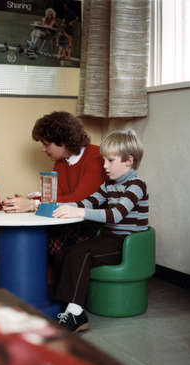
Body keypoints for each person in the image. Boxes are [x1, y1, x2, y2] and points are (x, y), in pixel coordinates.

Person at [52, 129, 149, 333]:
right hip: (109, 239)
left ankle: (77, 315)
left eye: (110, 161)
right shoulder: (109, 184)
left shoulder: (136, 185)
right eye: (103, 160)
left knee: (81, 253)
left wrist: (78, 211)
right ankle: (69, 307)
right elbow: (88, 201)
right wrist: (63, 207)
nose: (104, 166)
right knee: (64, 252)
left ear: (129, 161)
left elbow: (115, 215)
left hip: (127, 244)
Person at [2, 111, 105, 255]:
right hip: (68, 220)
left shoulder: (96, 156)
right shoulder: (61, 161)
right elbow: (56, 199)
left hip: (90, 223)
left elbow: (80, 200)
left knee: (40, 240)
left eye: (46, 144)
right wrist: (25, 202)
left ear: (63, 142)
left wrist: (32, 204)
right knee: (28, 234)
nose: (43, 149)